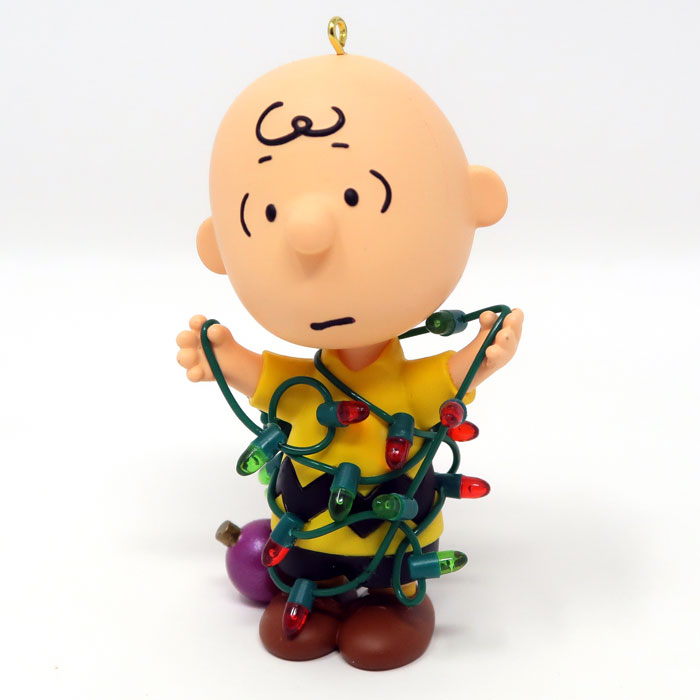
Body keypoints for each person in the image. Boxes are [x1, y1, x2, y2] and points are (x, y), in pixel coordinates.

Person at [176, 51, 523, 669]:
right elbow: (272, 381)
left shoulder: (403, 384)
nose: (308, 233)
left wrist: (480, 356)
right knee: (304, 561)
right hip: (308, 515)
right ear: (218, 246)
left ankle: (394, 602)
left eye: (359, 195)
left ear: (473, 200)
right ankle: (315, 597)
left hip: (396, 518)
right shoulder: (304, 386)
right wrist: (227, 359)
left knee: (394, 565)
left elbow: (441, 382)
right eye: (266, 213)